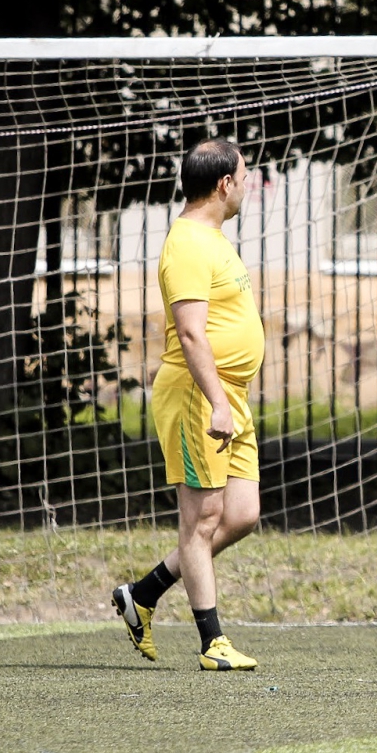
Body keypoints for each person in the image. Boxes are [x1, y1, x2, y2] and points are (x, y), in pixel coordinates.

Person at [112, 139, 264, 671]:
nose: (248, 186)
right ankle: (212, 643)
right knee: (200, 522)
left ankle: (144, 593)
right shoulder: (187, 244)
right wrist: (218, 402)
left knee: (242, 514)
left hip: (227, 397)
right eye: (245, 178)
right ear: (224, 184)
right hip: (200, 396)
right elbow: (192, 334)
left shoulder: (214, 238)